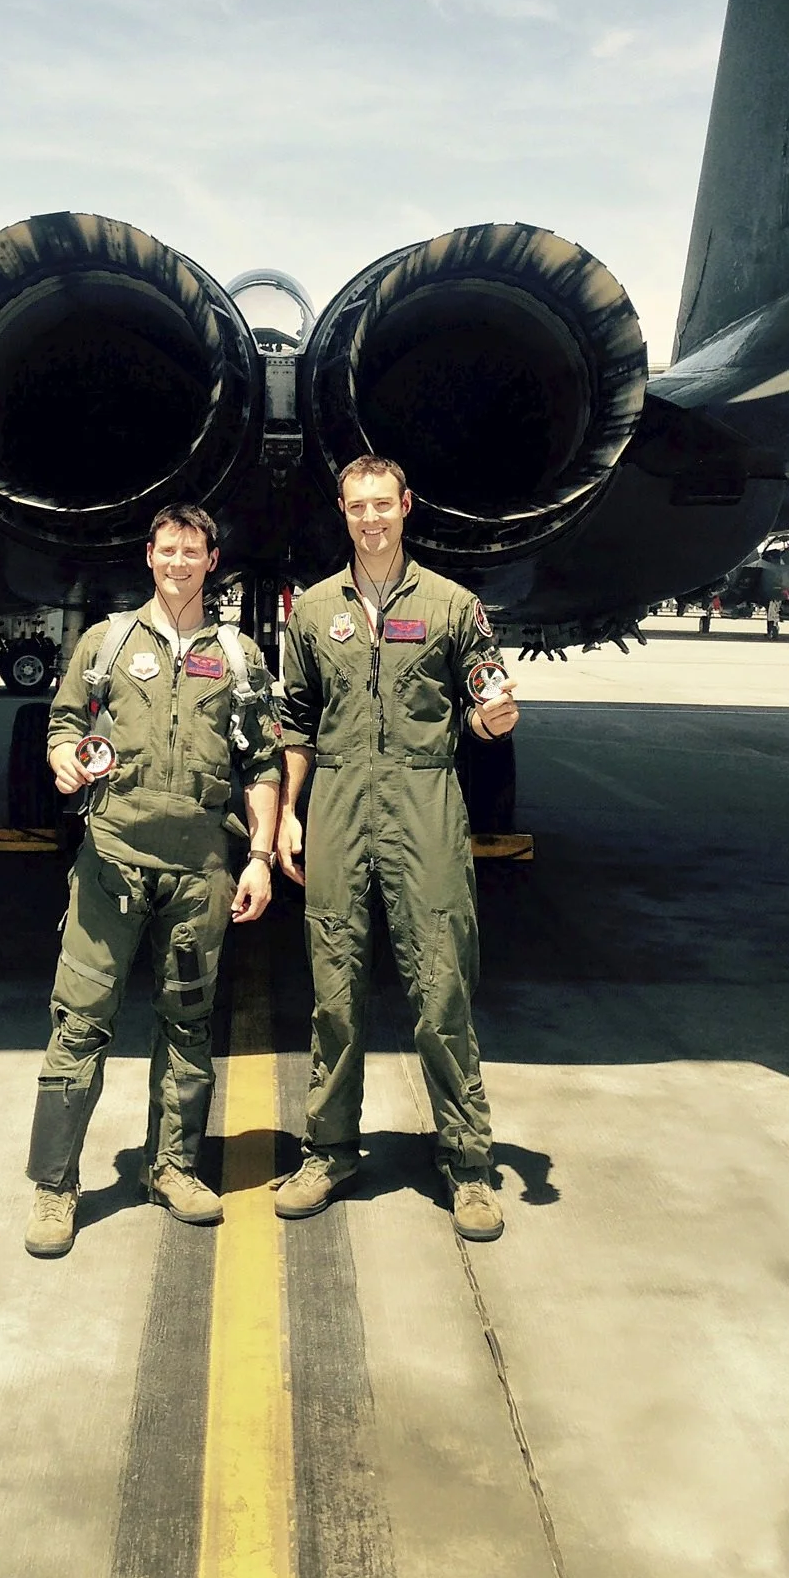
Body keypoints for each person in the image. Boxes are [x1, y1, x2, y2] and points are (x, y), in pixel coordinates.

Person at [23, 504, 282, 1259]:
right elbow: (64, 722)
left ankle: (171, 1168)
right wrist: (63, 756)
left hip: (201, 870)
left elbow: (261, 763)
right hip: (111, 863)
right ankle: (55, 1186)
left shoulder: (239, 657)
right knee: (79, 1024)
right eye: (167, 550)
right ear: (149, 555)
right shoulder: (104, 645)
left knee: (188, 1025)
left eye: (191, 552)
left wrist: (260, 855)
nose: (177, 563)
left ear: (211, 560)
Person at [273, 454, 519, 1242]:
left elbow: (482, 702)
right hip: (340, 801)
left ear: (406, 506)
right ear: (341, 512)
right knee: (334, 989)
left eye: (383, 504)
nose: (371, 518)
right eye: (357, 507)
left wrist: (493, 720)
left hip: (425, 799)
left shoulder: (454, 605)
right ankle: (330, 1149)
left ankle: (470, 1163)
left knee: (441, 984)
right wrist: (287, 813)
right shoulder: (313, 612)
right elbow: (298, 724)